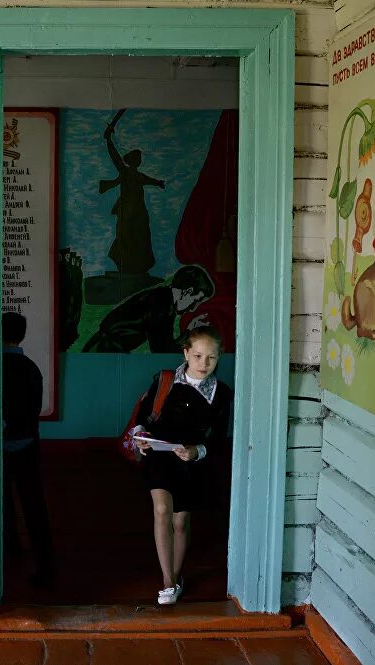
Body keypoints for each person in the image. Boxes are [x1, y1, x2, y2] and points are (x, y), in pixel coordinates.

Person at [128, 324, 233, 605]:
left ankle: (176, 577)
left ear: (219, 357)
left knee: (181, 521)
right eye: (198, 356)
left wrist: (196, 451)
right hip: (159, 457)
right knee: (162, 509)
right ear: (186, 353)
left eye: (211, 358)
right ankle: (168, 582)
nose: (204, 363)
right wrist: (141, 438)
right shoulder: (164, 381)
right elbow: (143, 418)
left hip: (192, 465)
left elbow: (219, 439)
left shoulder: (221, 394)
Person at [1, 311, 55, 587]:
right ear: (22, 335)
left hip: (0, 448)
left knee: (2, 504)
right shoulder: (31, 368)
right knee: (34, 506)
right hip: (28, 444)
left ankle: (9, 554)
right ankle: (46, 565)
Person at [82, 264, 215, 354]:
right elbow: (163, 352)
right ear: (187, 292)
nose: (193, 308)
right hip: (102, 353)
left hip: (102, 352)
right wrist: (189, 334)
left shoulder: (162, 298)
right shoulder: (162, 305)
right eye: (196, 300)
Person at [99, 109, 166, 275]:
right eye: (137, 158)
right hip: (127, 211)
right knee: (126, 237)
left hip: (139, 212)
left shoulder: (138, 175)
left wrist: (158, 183)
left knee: (141, 236)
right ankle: (126, 266)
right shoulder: (125, 171)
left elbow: (149, 180)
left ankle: (138, 267)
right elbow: (114, 155)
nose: (139, 161)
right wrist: (109, 140)